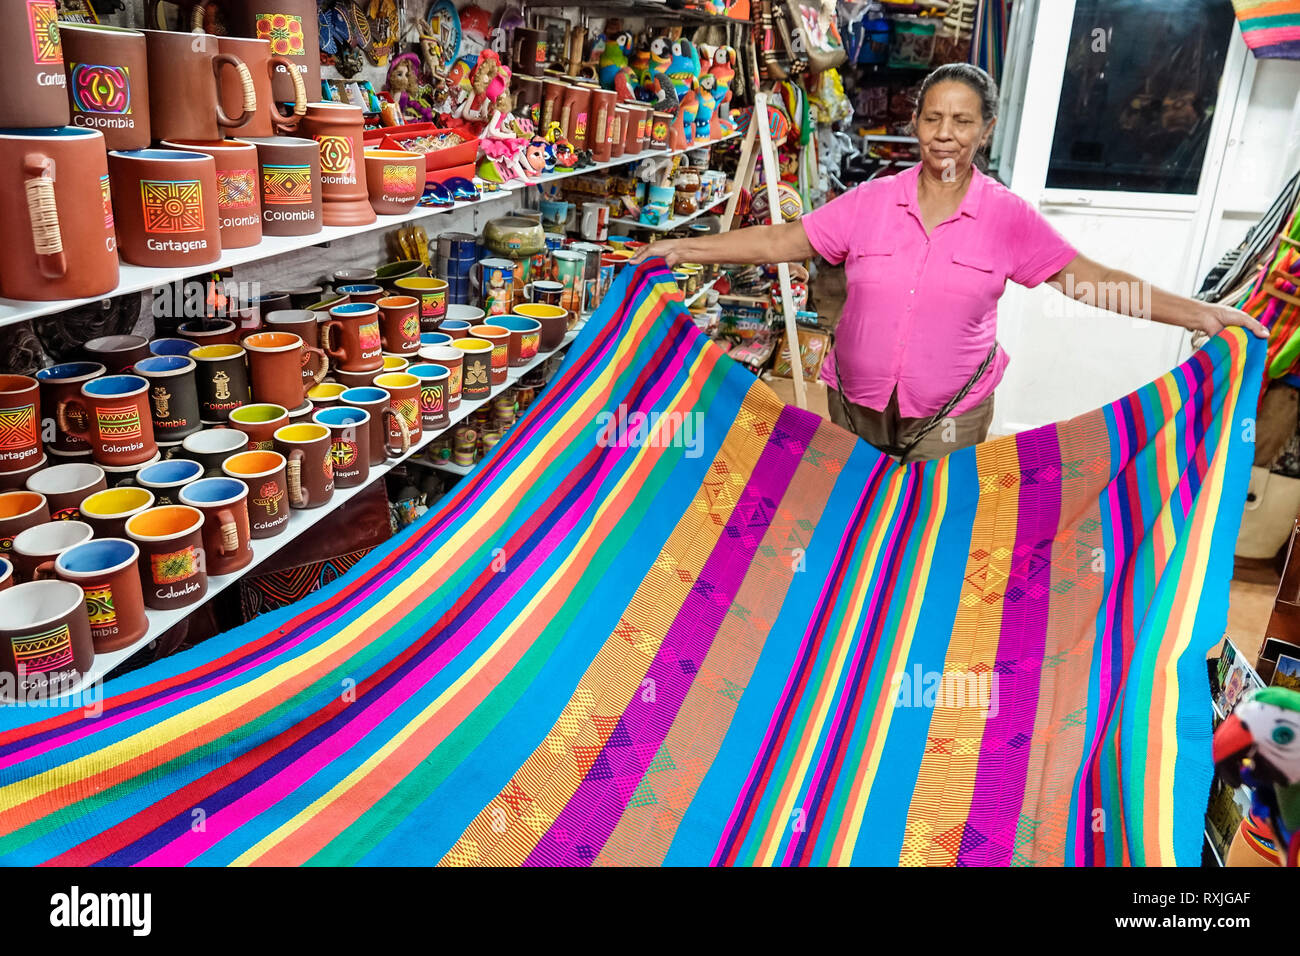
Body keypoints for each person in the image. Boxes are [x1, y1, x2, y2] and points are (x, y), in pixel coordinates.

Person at [630, 63, 1266, 463]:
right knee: (848, 522)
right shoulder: (872, 202)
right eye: (933, 117)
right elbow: (777, 242)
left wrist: (1202, 312)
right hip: (853, 405)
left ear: (984, 130)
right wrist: (681, 247)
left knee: (929, 539)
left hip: (951, 418)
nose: (945, 133)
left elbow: (1092, 282)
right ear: (915, 124)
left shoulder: (1007, 217)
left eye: (962, 121)